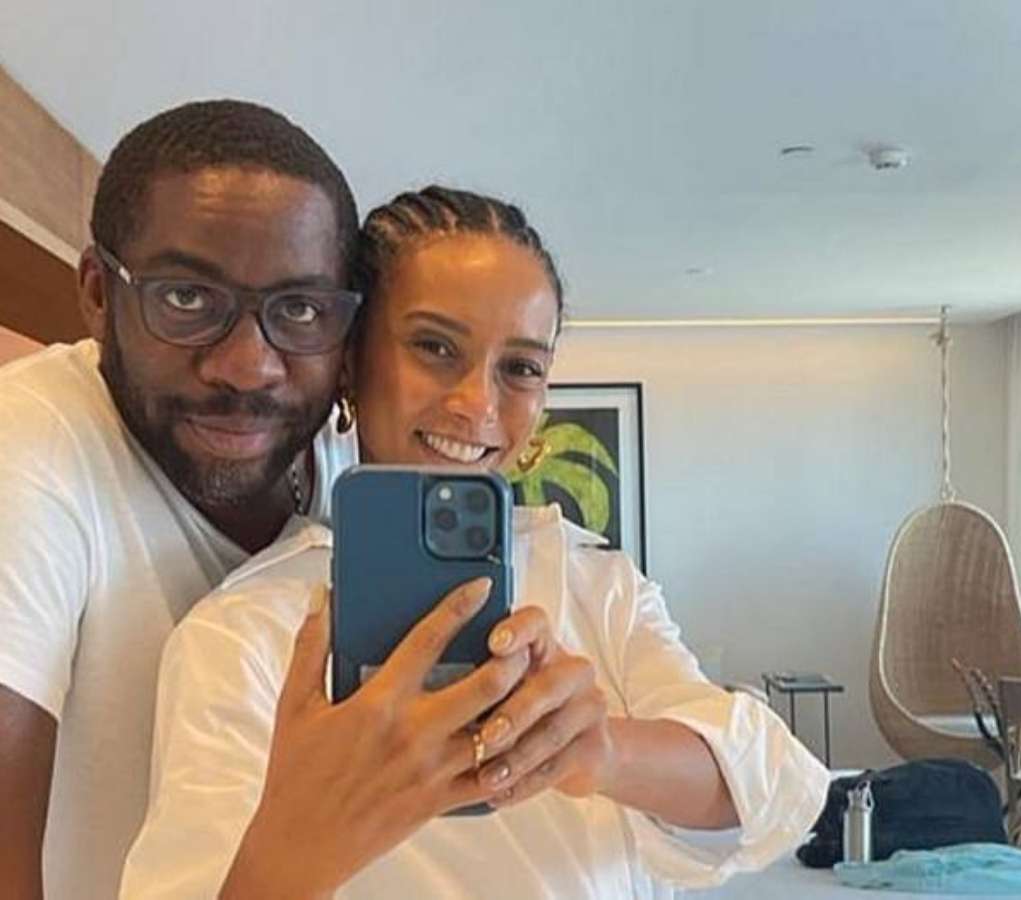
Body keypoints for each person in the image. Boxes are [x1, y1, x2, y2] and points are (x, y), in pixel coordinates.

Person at [121, 186, 832, 898]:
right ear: (351, 365)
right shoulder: (244, 630)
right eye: (434, 347)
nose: (477, 405)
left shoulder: (595, 581)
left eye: (520, 368)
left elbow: (773, 792)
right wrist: (303, 841)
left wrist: (603, 749)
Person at [0, 99, 363, 899]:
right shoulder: (27, 446)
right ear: (99, 294)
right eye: (189, 299)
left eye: (300, 309)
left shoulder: (348, 458)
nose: (248, 366)